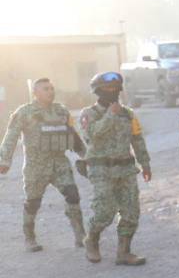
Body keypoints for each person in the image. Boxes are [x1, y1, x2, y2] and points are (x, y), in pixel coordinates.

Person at [0, 77, 87, 251]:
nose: (50, 92)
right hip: (36, 166)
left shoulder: (61, 111)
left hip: (60, 163)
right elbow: (11, 136)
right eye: (45, 89)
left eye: (51, 88)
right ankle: (30, 238)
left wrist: (85, 155)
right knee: (33, 202)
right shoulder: (24, 112)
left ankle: (81, 236)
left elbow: (72, 134)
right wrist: (4, 160)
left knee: (73, 195)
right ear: (35, 92)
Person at [78, 72, 151, 265]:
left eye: (116, 88)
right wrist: (110, 115)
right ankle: (91, 239)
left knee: (131, 211)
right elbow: (92, 135)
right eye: (109, 88)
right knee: (104, 211)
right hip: (101, 170)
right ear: (98, 91)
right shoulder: (88, 114)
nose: (113, 92)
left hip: (126, 169)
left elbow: (137, 139)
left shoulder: (128, 114)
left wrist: (145, 163)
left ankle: (124, 252)